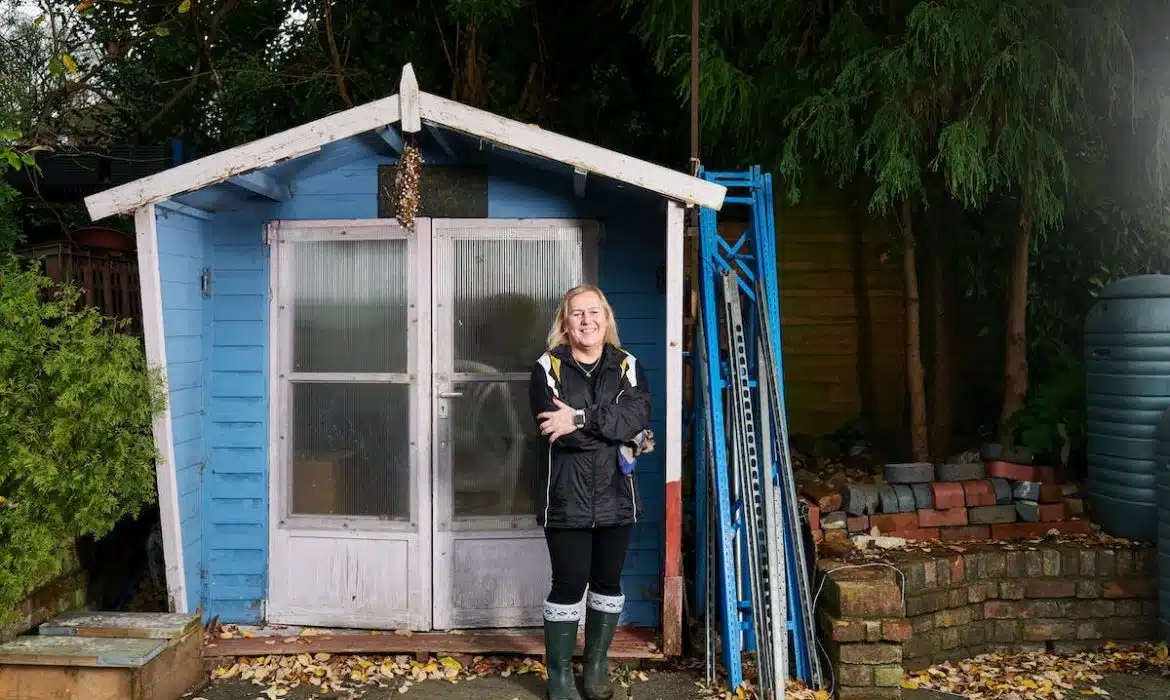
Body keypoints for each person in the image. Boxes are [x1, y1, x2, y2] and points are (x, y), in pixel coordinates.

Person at [529, 284, 653, 700]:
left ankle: (596, 667)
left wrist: (580, 416)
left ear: (606, 317)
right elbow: (559, 436)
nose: (587, 320)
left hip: (617, 496)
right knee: (570, 582)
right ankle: (560, 675)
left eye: (594, 312)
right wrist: (609, 428)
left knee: (608, 581)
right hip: (566, 498)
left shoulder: (627, 365)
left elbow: (636, 419)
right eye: (577, 313)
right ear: (565, 322)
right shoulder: (547, 368)